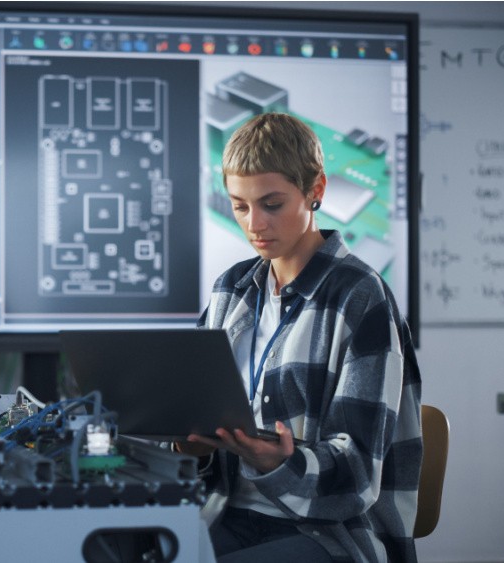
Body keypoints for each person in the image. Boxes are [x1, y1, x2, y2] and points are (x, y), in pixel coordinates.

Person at [178, 112, 422, 562]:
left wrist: (280, 464)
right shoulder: (229, 291)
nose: (254, 224)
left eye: (271, 204)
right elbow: (192, 414)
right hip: (223, 512)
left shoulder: (361, 297)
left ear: (316, 192)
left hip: (328, 533)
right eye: (239, 205)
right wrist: (188, 441)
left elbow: (358, 476)